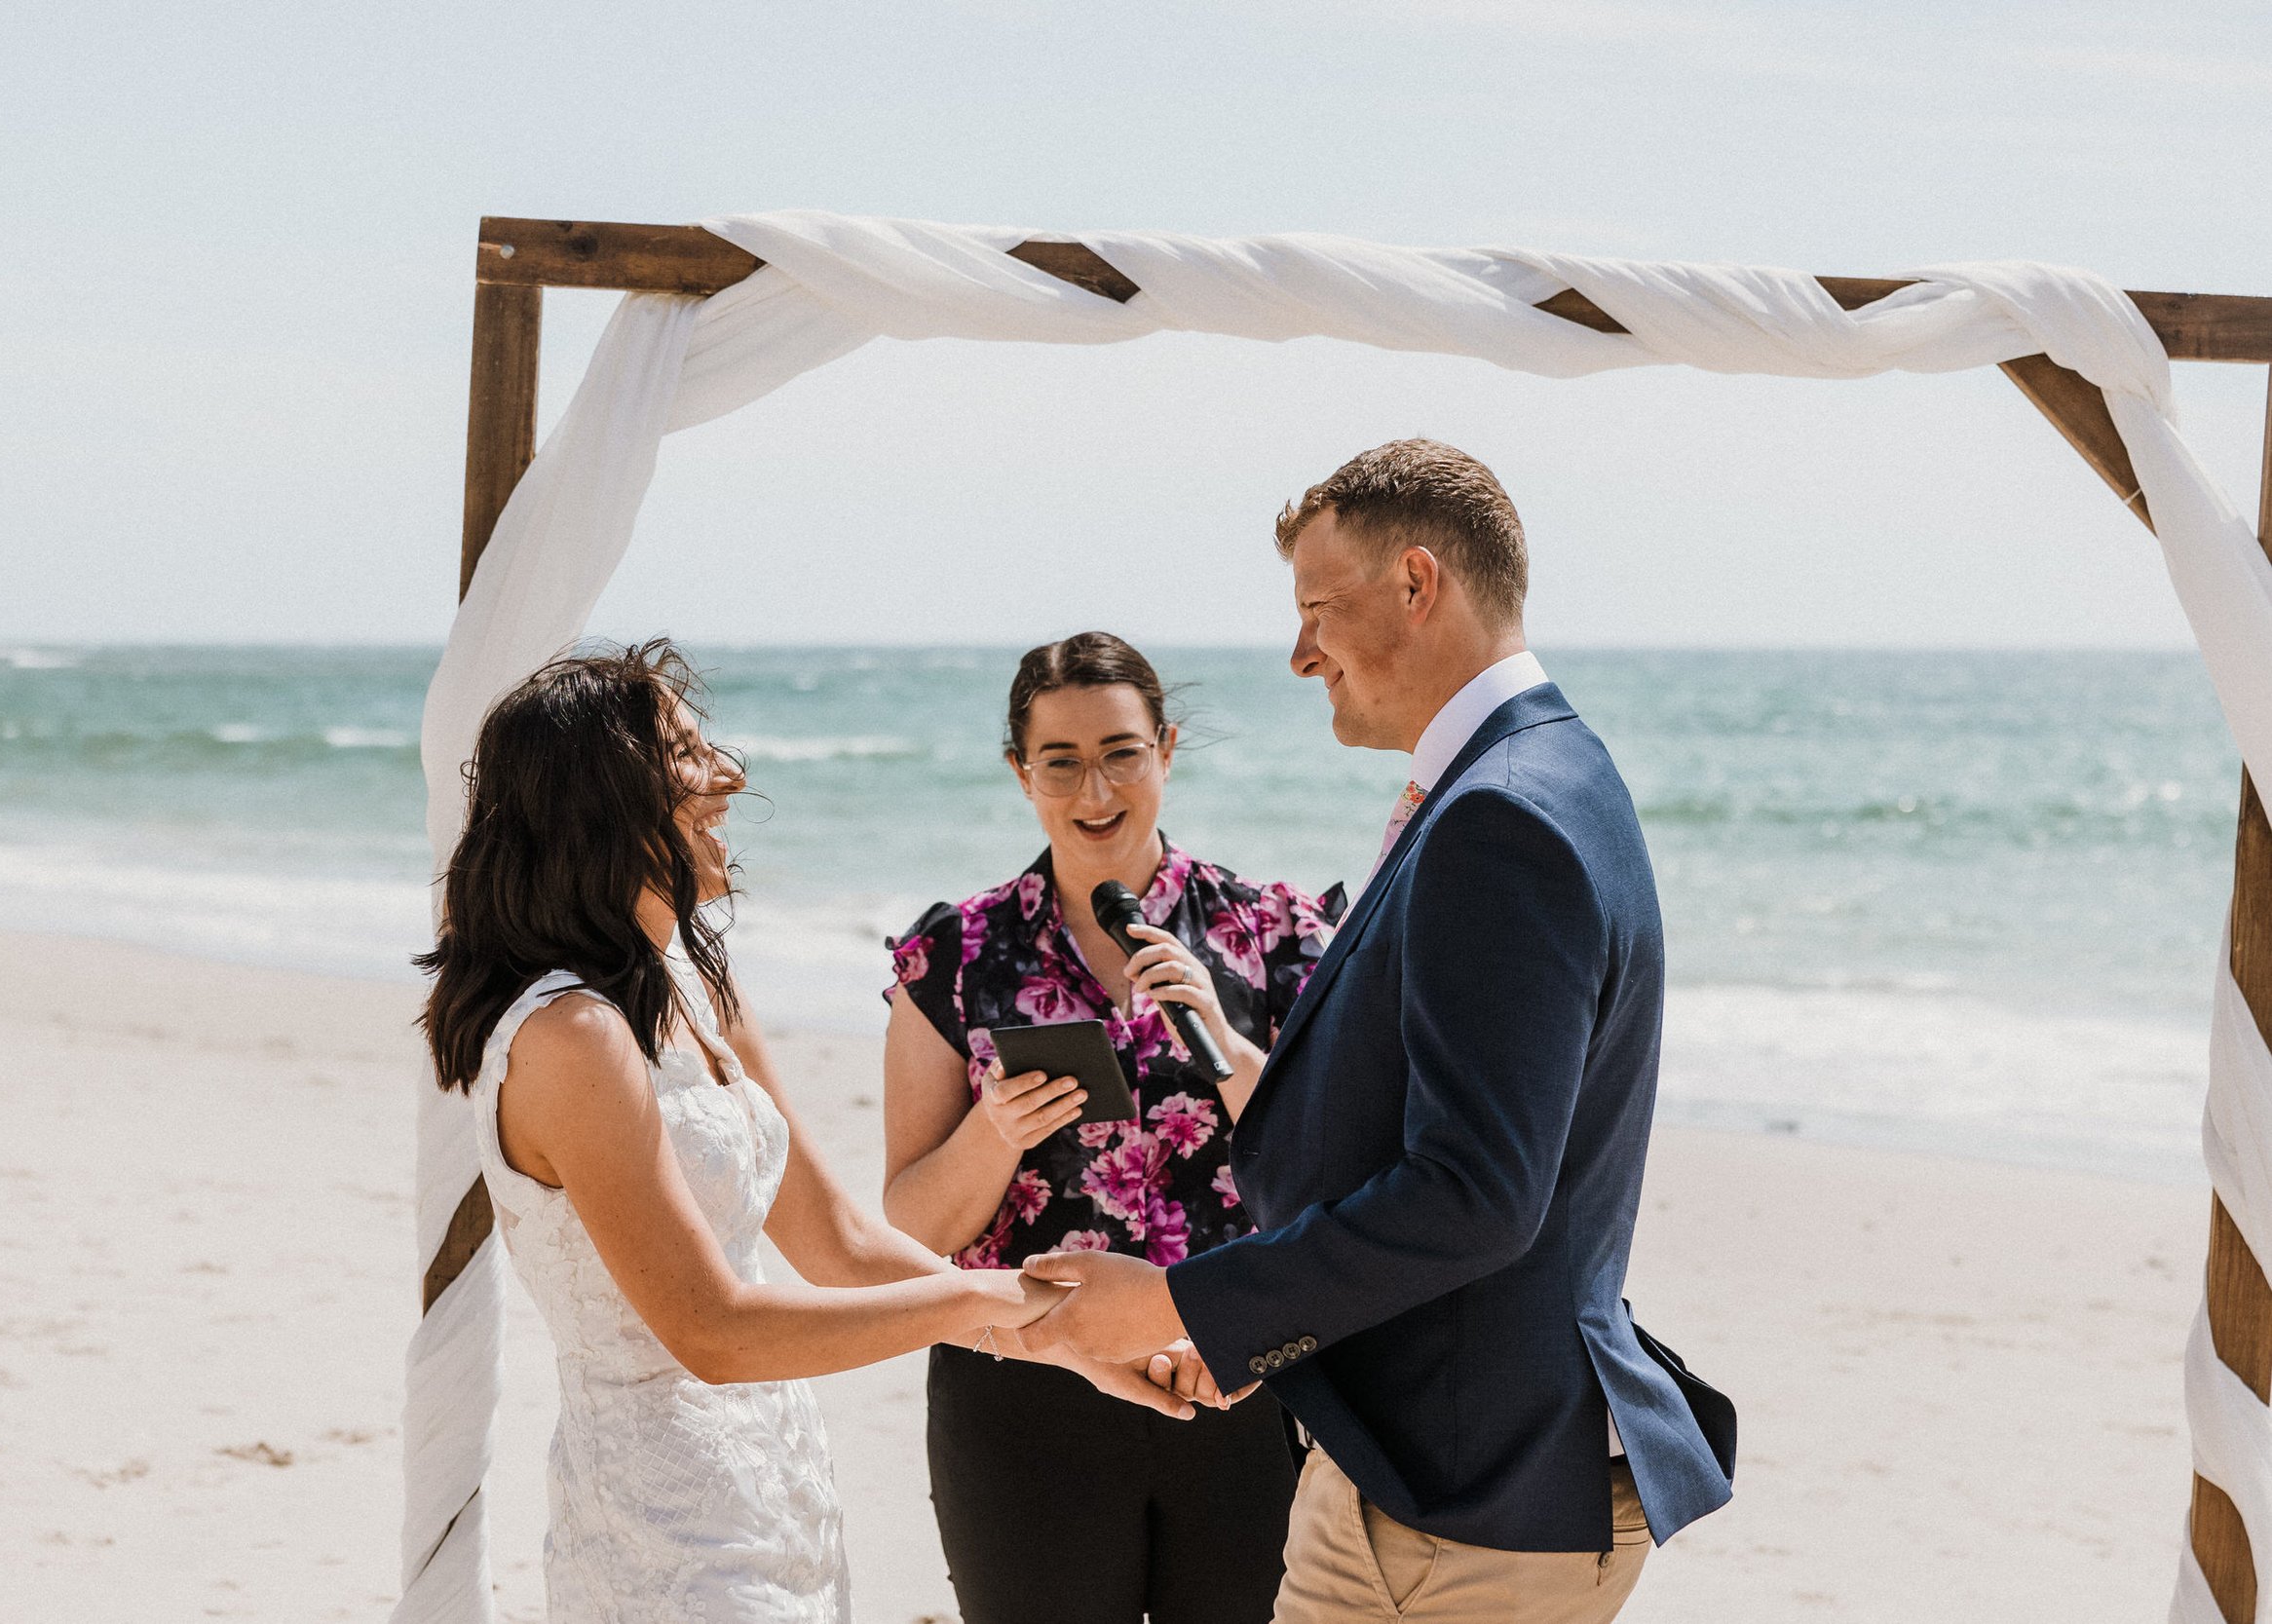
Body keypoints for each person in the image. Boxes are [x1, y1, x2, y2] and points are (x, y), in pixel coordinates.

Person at [1020, 443, 1738, 1624]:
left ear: (1416, 584)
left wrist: (1177, 1302)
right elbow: (1412, 1138)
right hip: (1471, 1470)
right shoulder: (1553, 772)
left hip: (1450, 1512)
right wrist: (1264, 1333)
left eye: (1316, 608)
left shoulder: (1499, 817)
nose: (1299, 653)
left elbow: (1473, 1194)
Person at [417, 642, 1192, 1624]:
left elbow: (839, 1243)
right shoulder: (571, 1038)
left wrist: (1060, 1344)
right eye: (688, 755)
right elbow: (713, 1331)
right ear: (604, 795)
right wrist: (986, 1292)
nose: (730, 775)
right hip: (662, 1528)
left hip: (780, 1487)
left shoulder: (698, 990)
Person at [881, 631, 1343, 1624]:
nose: (1096, 787)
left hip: (1235, 1376)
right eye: (1062, 760)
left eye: (1121, 751)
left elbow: (1337, 1173)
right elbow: (908, 1227)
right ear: (1021, 771)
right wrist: (993, 1130)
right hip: (1020, 1390)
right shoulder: (953, 955)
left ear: (1165, 749)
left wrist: (1221, 1038)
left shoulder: (1275, 932)